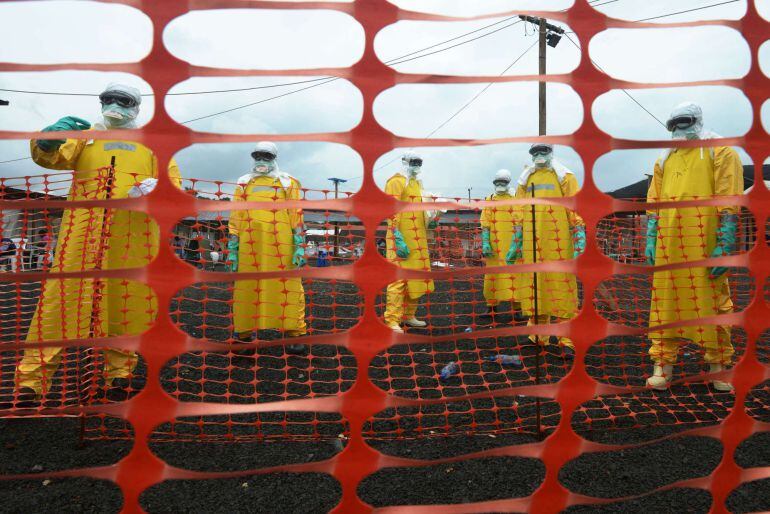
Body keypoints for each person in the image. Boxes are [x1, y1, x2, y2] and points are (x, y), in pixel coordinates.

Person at [10, 83, 182, 407]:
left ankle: (119, 373)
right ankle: (32, 381)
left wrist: (159, 188)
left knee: (123, 306)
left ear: (136, 106)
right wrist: (46, 141)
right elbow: (53, 159)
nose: (114, 104)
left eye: (123, 100)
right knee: (58, 303)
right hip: (82, 234)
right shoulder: (87, 135)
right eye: (108, 99)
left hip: (131, 238)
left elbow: (174, 185)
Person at [644, 102, 742, 391]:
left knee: (713, 302)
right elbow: (655, 200)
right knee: (664, 304)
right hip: (669, 245)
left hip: (705, 242)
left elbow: (729, 197)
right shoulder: (664, 158)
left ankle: (718, 367)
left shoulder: (721, 151)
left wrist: (725, 240)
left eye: (683, 123)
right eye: (673, 125)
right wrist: (651, 236)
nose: (679, 130)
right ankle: (662, 366)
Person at [229, 142, 308, 354]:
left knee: (288, 285)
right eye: (257, 156)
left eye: (266, 156)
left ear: (274, 157)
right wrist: (233, 244)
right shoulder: (243, 183)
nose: (261, 160)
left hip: (281, 245)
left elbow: (295, 213)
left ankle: (295, 331)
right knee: (246, 287)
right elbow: (236, 214)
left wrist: (299, 244)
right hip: (250, 245)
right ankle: (243, 335)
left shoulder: (287, 182)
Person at [506, 144, 584, 359]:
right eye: (535, 152)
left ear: (551, 152)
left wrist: (579, 236)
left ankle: (567, 339)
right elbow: (519, 209)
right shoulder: (526, 179)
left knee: (561, 287)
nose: (539, 156)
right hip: (532, 244)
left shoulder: (564, 176)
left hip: (558, 241)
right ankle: (537, 336)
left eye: (543, 151)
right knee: (534, 286)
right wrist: (516, 241)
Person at [383, 151, 437, 332]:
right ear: (404, 162)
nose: (417, 166)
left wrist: (433, 217)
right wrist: (396, 236)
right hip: (400, 238)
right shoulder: (396, 181)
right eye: (414, 162)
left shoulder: (416, 184)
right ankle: (392, 319)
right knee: (398, 280)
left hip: (417, 239)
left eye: (419, 162)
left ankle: (409, 315)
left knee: (415, 278)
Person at [480, 169, 524, 320]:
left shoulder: (514, 200)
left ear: (508, 183)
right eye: (497, 182)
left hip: (511, 245)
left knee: (514, 276)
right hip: (494, 247)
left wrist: (517, 244)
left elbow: (519, 223)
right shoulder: (489, 200)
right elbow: (485, 224)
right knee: (492, 276)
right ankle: (491, 307)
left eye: (503, 182)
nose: (500, 185)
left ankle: (517, 309)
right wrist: (485, 242)